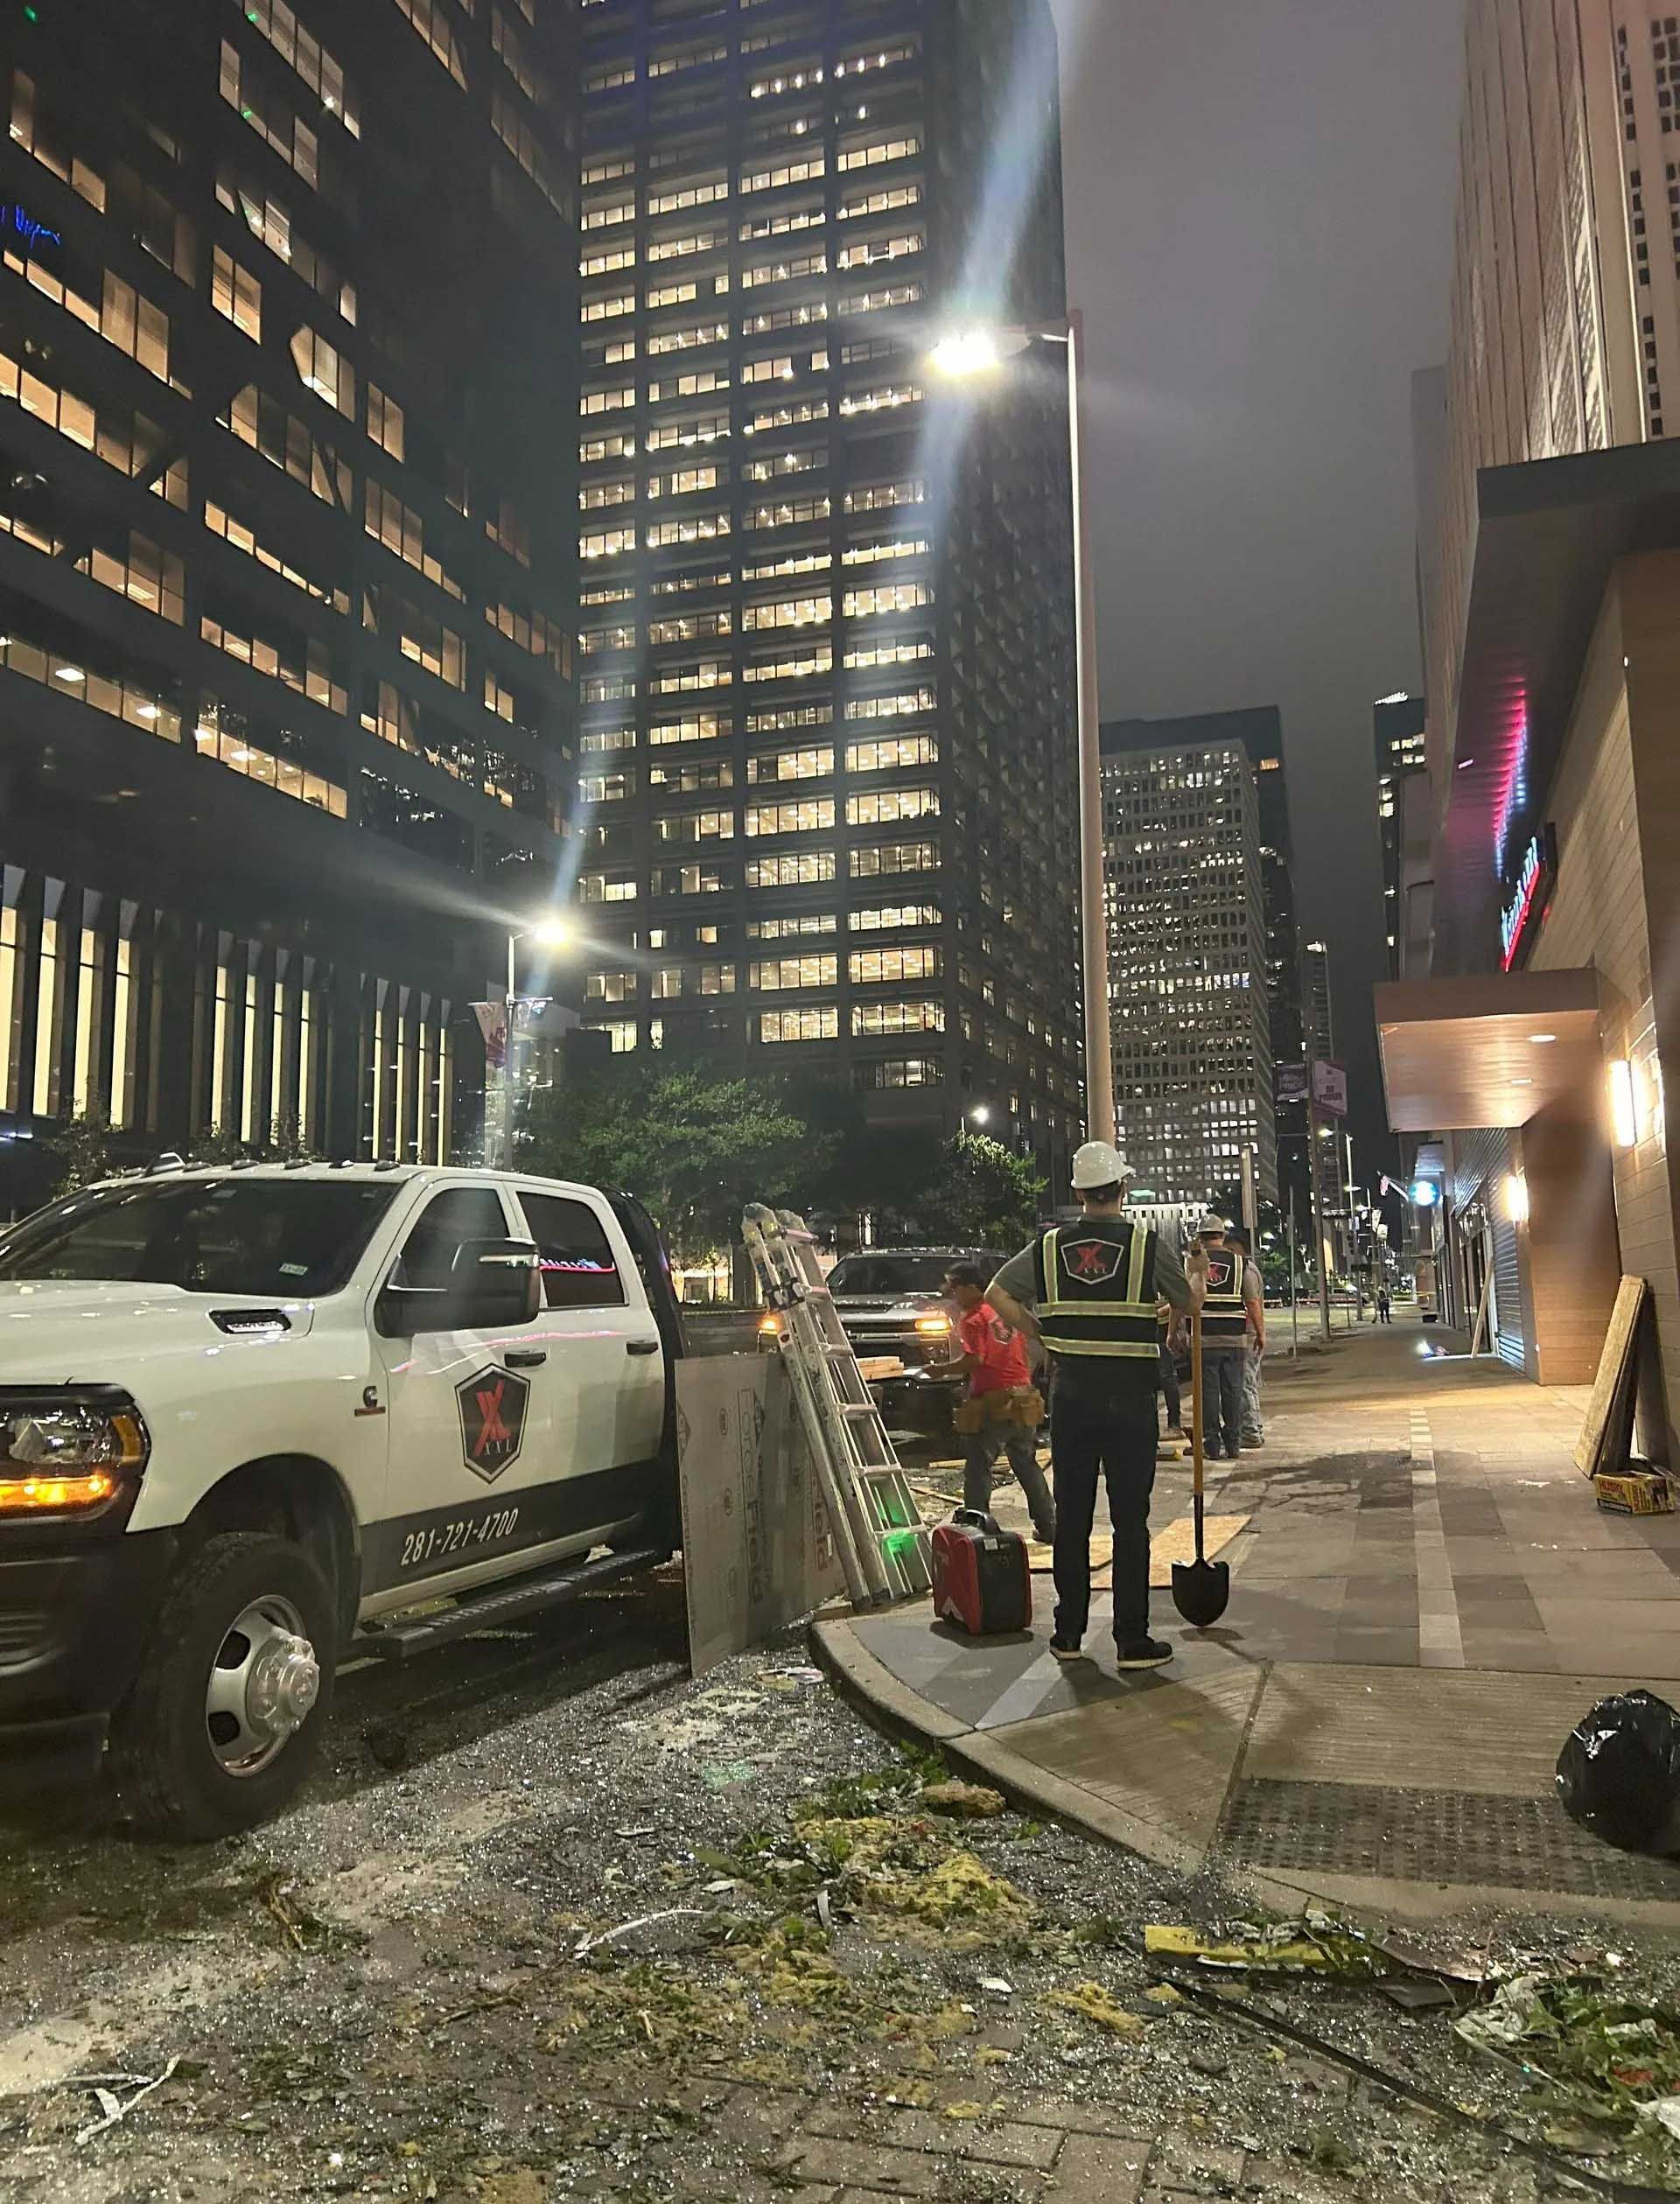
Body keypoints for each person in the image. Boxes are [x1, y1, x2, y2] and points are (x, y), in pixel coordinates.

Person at [988, 1141, 1206, 1670]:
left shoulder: (1046, 1249)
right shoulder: (1146, 1245)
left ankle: (1068, 1633)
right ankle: (1132, 1641)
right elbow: (1190, 1304)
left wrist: (1040, 1333)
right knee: (1131, 1521)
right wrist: (1196, 1270)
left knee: (1073, 1519)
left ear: (1080, 1193)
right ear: (1122, 1190)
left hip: (1073, 1398)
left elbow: (997, 1293)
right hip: (1130, 1400)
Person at [939, 1261, 1056, 1544]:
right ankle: (1049, 1524)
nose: (952, 1294)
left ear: (970, 1287)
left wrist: (940, 1370)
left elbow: (975, 1359)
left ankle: (977, 1530)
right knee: (1025, 1462)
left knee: (978, 1466)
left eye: (955, 1287)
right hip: (1023, 1396)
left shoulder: (974, 1318)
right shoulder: (1001, 1311)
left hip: (994, 1400)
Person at [1197, 1216, 1265, 1460]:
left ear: (1200, 1238)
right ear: (1222, 1236)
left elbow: (1181, 1301)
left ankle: (1212, 1446)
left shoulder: (1194, 1263)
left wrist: (1174, 1332)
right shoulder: (1240, 1264)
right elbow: (1252, 1301)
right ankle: (1234, 1445)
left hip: (1204, 1340)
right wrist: (1261, 1332)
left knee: (1208, 1395)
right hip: (1235, 1340)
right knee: (1233, 1392)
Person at [1226, 1223, 1265, 1451]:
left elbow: (1252, 1303)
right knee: (1247, 1383)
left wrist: (1260, 1333)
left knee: (1244, 1384)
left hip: (1248, 1334)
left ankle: (1250, 1431)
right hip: (1250, 1333)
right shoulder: (1247, 1269)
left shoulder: (1245, 1271)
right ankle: (1254, 1428)